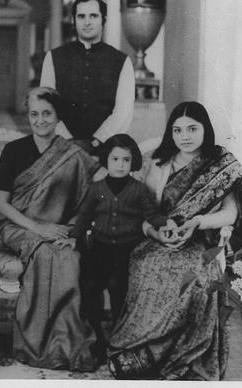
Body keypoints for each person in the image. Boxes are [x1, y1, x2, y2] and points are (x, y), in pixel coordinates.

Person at [107, 101, 242, 380]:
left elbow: (230, 213)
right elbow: (144, 212)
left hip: (202, 240)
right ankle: (140, 347)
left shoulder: (221, 164)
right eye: (177, 130)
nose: (185, 136)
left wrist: (197, 222)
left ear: (205, 129)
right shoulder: (159, 163)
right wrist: (156, 233)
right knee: (148, 264)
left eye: (192, 129)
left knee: (195, 275)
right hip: (161, 237)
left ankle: (167, 355)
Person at [0, 87, 101, 371]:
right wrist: (38, 228)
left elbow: (86, 203)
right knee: (44, 253)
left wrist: (72, 233)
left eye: (47, 114)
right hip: (14, 224)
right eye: (34, 114)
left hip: (57, 228)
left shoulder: (74, 155)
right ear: (27, 116)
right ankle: (37, 344)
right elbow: (1, 203)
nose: (40, 120)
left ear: (58, 116)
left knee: (69, 257)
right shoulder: (14, 150)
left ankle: (65, 344)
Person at [66, 134, 161, 354]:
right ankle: (97, 336)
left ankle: (119, 337)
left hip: (126, 250)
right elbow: (84, 216)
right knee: (90, 286)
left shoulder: (139, 189)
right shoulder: (96, 188)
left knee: (118, 287)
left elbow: (152, 215)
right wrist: (73, 237)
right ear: (106, 160)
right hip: (99, 248)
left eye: (126, 160)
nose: (120, 165)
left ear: (133, 162)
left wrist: (167, 224)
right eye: (115, 159)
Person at [39, 0, 136, 154]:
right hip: (61, 146)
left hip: (106, 149)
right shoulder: (53, 57)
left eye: (93, 16)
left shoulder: (121, 61)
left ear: (103, 19)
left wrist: (97, 141)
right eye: (81, 16)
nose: (87, 22)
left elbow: (123, 112)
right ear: (74, 20)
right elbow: (47, 105)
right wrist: (68, 140)